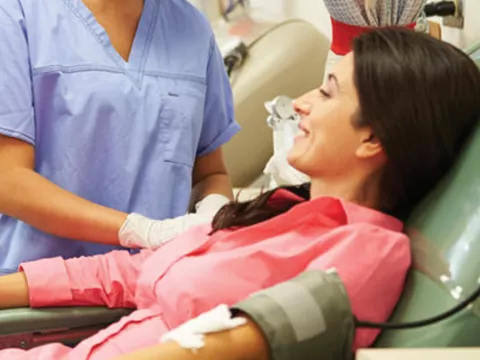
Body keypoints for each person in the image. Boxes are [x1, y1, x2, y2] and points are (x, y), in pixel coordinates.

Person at [1, 27, 480, 359]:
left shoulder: (367, 252)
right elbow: (125, 271)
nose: (301, 103)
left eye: (328, 91)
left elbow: (245, 340)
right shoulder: (277, 210)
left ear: (373, 138)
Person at [0, 0, 240, 275]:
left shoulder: (191, 27)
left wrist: (213, 213)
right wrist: (141, 231)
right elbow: (7, 181)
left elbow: (210, 174)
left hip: (153, 285)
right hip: (36, 291)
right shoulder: (17, 14)